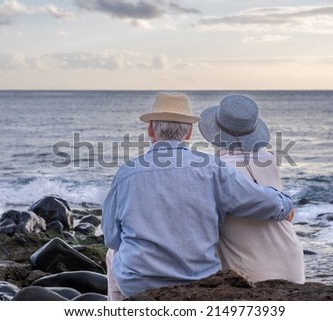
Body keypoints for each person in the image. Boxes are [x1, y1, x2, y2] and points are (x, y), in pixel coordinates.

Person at [101, 92, 295, 300]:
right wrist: (285, 204)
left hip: (139, 284)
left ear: (150, 130)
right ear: (189, 133)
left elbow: (112, 236)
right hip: (199, 281)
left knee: (112, 256)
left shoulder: (126, 173)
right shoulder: (212, 168)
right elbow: (259, 200)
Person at [198, 94, 305, 284]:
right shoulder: (269, 159)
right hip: (291, 260)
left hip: (250, 272)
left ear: (215, 131)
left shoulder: (214, 169)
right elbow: (289, 214)